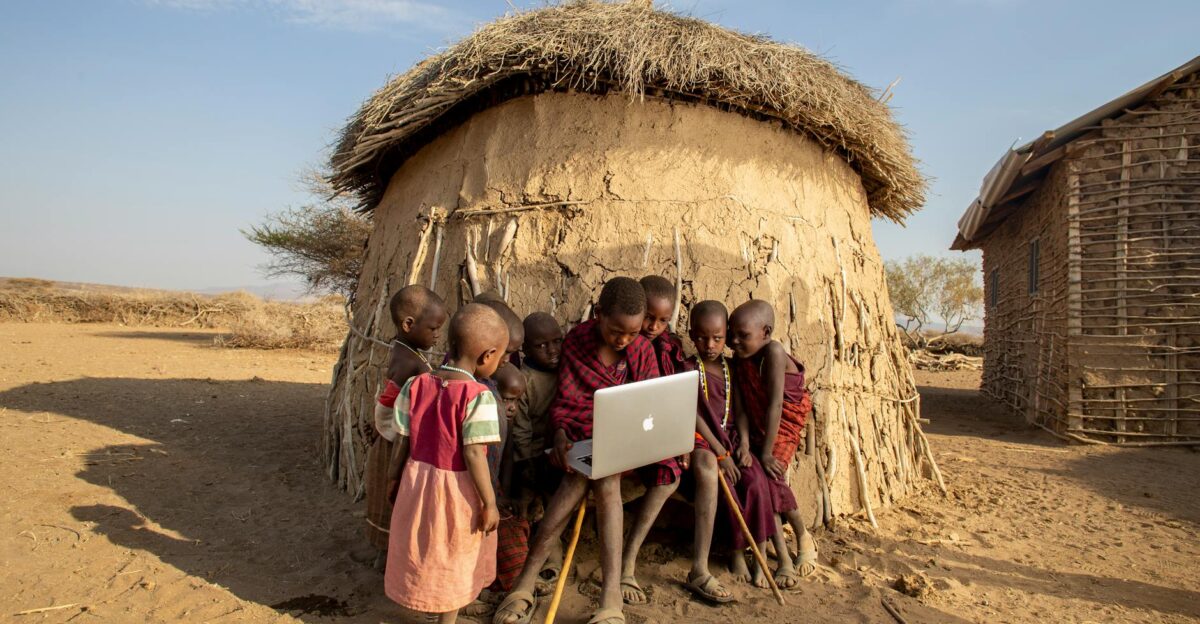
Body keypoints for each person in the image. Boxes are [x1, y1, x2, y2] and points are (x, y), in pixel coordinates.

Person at [493, 277, 662, 624]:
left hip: (626, 446)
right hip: (581, 441)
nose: (624, 340)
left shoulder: (642, 351)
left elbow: (650, 409)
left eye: (632, 332)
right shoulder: (578, 341)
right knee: (584, 471)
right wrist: (559, 433)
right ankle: (608, 601)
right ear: (599, 314)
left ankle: (528, 585)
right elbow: (567, 402)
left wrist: (625, 434)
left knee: (606, 473)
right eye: (617, 331)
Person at [380, 303, 509, 624]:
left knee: (426, 548)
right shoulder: (478, 396)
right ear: (487, 355)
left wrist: (393, 480)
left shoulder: (416, 385)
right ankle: (447, 619)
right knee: (454, 554)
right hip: (456, 492)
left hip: (417, 481)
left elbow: (402, 441)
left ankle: (433, 603)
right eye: (500, 357)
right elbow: (473, 454)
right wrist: (489, 501)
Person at [681, 300, 778, 601]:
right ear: (691, 334)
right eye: (701, 337)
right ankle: (735, 552)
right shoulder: (686, 369)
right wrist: (720, 452)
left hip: (734, 439)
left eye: (718, 338)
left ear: (726, 337)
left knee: (757, 481)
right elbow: (693, 414)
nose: (709, 345)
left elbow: (741, 410)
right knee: (732, 488)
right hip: (706, 441)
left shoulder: (731, 368)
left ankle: (759, 553)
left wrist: (744, 446)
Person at [727, 299, 818, 588]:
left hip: (782, 427)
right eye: (732, 334)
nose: (734, 341)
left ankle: (803, 537)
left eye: (743, 335)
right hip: (755, 427)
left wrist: (765, 453)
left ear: (765, 332)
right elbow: (740, 407)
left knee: (772, 477)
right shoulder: (741, 360)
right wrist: (742, 441)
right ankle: (772, 552)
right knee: (762, 484)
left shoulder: (774, 352)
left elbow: (776, 405)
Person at [364, 285, 447, 566]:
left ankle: (387, 558)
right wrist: (383, 427)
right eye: (433, 328)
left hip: (396, 437)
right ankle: (388, 561)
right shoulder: (407, 360)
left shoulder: (408, 350)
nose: (438, 335)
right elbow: (388, 401)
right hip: (394, 442)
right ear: (409, 324)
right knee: (394, 501)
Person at [511, 312, 565, 590]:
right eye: (542, 345)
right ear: (525, 349)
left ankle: (552, 550)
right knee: (534, 502)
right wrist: (526, 468)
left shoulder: (567, 370)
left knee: (557, 501)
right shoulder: (524, 380)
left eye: (557, 341)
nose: (552, 350)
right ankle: (544, 553)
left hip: (559, 449)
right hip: (531, 456)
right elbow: (520, 432)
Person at [638, 275, 687, 376]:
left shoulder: (669, 349)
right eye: (648, 317)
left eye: (663, 320)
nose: (654, 327)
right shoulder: (622, 343)